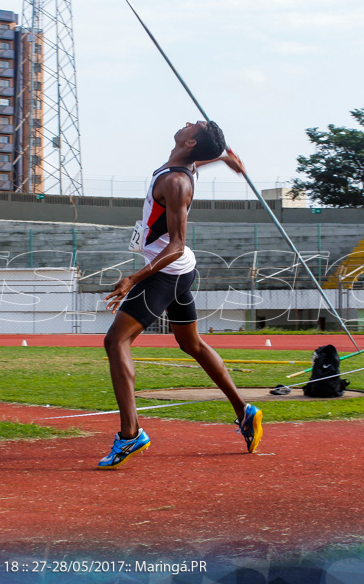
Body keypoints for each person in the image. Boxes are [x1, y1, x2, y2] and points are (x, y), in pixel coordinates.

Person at [98, 120, 262, 469]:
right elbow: (196, 162)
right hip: (181, 271)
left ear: (189, 142)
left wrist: (133, 278)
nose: (190, 121)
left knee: (116, 341)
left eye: (195, 125)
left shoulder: (175, 181)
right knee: (192, 345)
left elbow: (176, 245)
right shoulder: (182, 165)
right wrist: (221, 159)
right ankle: (244, 411)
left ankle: (130, 435)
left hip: (166, 273)